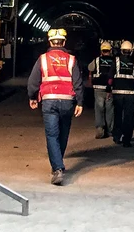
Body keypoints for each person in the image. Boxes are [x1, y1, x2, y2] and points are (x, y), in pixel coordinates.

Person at [27, 28, 84, 185]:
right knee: (63, 134)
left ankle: (57, 168)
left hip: (49, 100)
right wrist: (80, 102)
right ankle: (58, 163)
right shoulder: (72, 59)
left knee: (52, 135)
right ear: (64, 42)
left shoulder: (43, 59)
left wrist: (32, 97)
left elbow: (33, 81)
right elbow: (77, 82)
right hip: (67, 101)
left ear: (50, 42)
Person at [108, 40, 134, 148]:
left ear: (121, 50)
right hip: (131, 94)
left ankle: (117, 137)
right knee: (129, 117)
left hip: (118, 93)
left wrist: (109, 90)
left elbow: (110, 77)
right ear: (131, 51)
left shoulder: (116, 60)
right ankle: (127, 140)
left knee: (118, 115)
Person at [87, 41, 115, 139]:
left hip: (98, 88)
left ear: (101, 51)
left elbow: (90, 68)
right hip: (110, 88)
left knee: (99, 109)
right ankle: (110, 130)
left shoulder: (97, 60)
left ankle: (100, 130)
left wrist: (90, 80)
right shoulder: (115, 60)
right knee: (110, 109)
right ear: (110, 50)